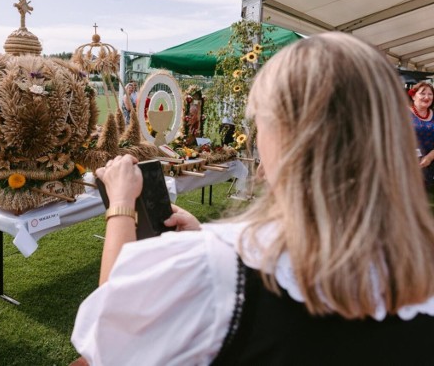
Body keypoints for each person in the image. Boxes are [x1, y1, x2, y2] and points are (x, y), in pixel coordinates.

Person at [71, 32, 434, 365]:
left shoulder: (214, 272)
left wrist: (121, 205)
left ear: (286, 133)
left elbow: (109, 343)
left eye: (260, 124)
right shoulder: (420, 267)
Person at [409, 81, 434, 189]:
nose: (426, 97)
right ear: (414, 96)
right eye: (422, 93)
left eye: (430, 94)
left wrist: (430, 157)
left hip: (429, 166)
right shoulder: (401, 113)